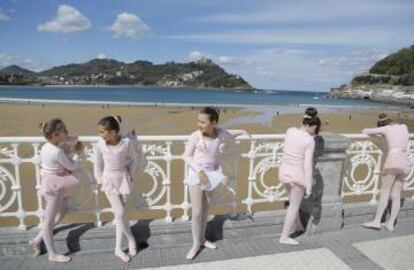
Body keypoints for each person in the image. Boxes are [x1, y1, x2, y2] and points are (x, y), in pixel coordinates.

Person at [183, 106, 248, 259]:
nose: (199, 124)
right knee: (197, 212)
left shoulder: (220, 133)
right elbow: (186, 156)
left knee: (205, 210)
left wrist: (243, 132)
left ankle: (203, 239)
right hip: (196, 174)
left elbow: (230, 134)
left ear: (213, 123)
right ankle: (195, 244)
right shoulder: (195, 136)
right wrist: (199, 170)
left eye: (203, 122)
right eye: (198, 121)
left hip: (212, 174)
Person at [29, 119, 83, 262]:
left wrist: (68, 138)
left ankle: (37, 239)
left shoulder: (46, 146)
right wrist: (77, 153)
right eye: (64, 131)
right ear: (55, 135)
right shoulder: (57, 151)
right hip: (54, 186)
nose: (67, 133)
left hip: (50, 183)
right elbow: (72, 167)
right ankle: (52, 254)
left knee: (63, 210)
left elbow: (72, 138)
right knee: (48, 222)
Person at [94, 115, 145, 263]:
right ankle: (129, 240)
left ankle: (120, 247)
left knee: (119, 215)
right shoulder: (100, 144)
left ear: (113, 132)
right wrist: (99, 179)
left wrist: (131, 175)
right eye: (99, 132)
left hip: (123, 179)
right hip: (109, 180)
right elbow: (97, 164)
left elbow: (133, 159)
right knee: (121, 212)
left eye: (102, 132)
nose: (100, 135)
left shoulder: (126, 143)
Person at [278, 107, 321, 245]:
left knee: (292, 202)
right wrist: (308, 186)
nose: (315, 131)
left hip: (284, 173)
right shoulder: (309, 141)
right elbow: (307, 165)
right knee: (294, 207)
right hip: (297, 176)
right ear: (312, 125)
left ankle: (298, 226)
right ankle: (284, 237)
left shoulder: (290, 131)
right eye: (315, 128)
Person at [362, 113, 411, 231]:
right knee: (396, 195)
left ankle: (377, 221)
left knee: (385, 192)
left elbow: (365, 131)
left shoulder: (385, 129)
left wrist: (380, 132)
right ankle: (390, 224)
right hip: (405, 161)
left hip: (393, 160)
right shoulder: (404, 127)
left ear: (381, 125)